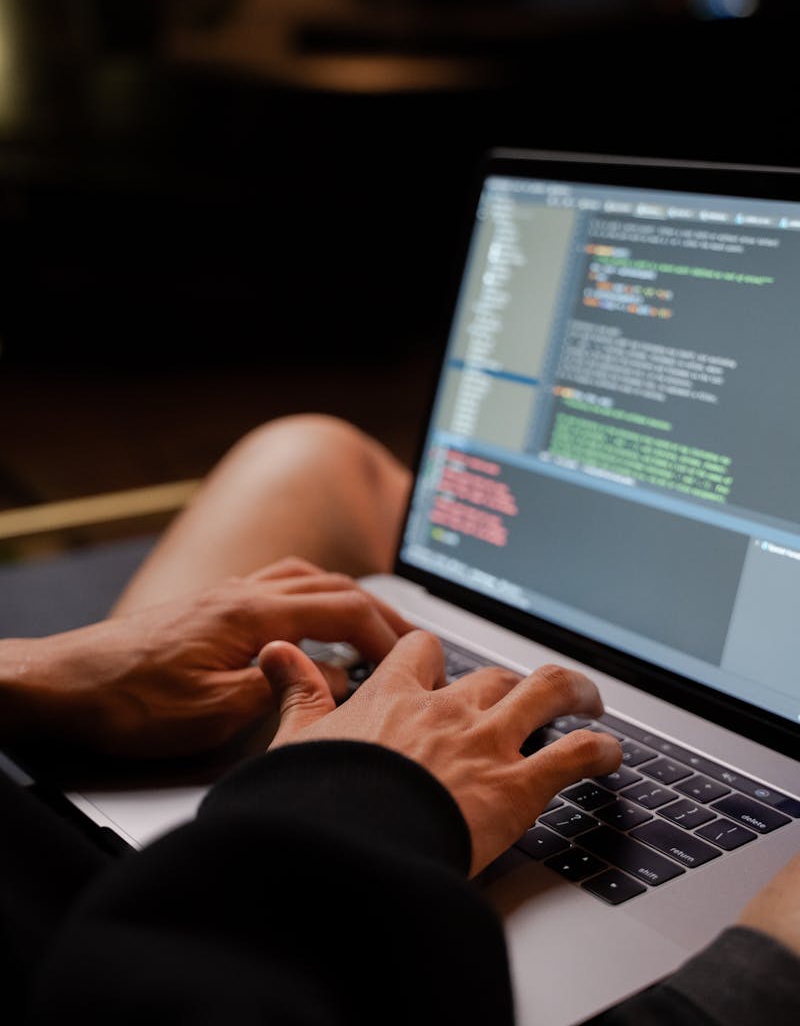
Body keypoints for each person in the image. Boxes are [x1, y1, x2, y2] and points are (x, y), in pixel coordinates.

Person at [1, 413, 798, 1025]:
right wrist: (369, 798)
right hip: (188, 954)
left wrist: (31, 672)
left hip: (72, 884)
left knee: (310, 456)